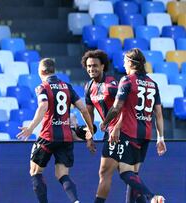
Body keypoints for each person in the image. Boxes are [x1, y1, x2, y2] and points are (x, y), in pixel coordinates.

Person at [16, 58, 96, 203]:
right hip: (65, 137)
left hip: (48, 136)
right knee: (62, 175)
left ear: (42, 71)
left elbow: (43, 106)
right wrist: (90, 130)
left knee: (35, 172)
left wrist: (31, 128)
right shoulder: (67, 86)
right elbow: (83, 109)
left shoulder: (43, 87)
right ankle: (76, 201)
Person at [100, 48, 167, 203]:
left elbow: (116, 107)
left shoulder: (127, 80)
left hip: (129, 133)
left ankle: (153, 197)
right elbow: (158, 113)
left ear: (130, 62)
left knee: (125, 173)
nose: (124, 65)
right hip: (146, 135)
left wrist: (105, 122)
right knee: (134, 177)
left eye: (125, 61)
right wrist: (161, 137)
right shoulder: (152, 84)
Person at [81, 50, 121, 203]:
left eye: (95, 66)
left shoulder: (111, 84)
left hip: (120, 131)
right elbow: (89, 114)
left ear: (103, 66)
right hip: (108, 132)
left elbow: (125, 107)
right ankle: (151, 198)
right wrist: (89, 136)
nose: (92, 69)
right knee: (125, 172)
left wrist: (117, 127)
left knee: (106, 172)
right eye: (89, 66)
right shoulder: (89, 86)